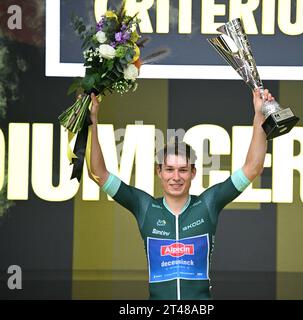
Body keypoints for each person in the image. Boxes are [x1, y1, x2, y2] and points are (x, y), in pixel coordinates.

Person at [88, 88, 274, 300]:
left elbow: (253, 168)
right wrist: (92, 120)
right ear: (159, 172)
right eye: (169, 169)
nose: (176, 177)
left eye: (183, 170)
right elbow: (98, 173)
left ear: (193, 173)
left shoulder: (208, 204)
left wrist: (259, 116)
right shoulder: (144, 206)